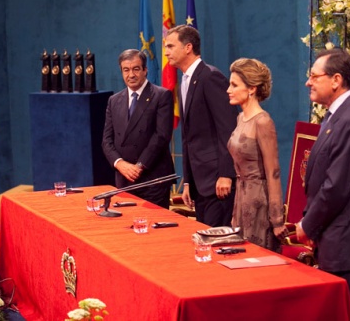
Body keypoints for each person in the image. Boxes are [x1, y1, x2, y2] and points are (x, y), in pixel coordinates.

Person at [296, 48, 350, 321]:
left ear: (335, 80)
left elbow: (337, 186)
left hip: (348, 244)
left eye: (313, 76)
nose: (308, 82)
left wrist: (308, 225)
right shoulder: (337, 115)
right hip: (335, 238)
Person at [163, 25, 238, 227]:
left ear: (188, 47)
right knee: (204, 238)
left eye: (170, 46)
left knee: (216, 242)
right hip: (200, 183)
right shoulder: (186, 81)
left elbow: (228, 130)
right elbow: (188, 138)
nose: (166, 52)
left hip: (217, 181)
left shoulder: (210, 77)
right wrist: (188, 181)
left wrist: (226, 174)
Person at [226, 58, 288, 252]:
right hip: (241, 198)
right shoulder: (240, 118)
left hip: (259, 202)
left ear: (251, 88)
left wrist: (277, 219)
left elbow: (274, 172)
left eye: (234, 85)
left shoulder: (263, 122)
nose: (228, 89)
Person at [102, 49, 175, 208]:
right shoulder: (114, 101)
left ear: (145, 70)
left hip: (153, 177)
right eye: (126, 70)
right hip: (124, 177)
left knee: (153, 227)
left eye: (136, 69)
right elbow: (107, 140)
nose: (131, 75)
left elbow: (161, 136)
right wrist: (119, 163)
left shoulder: (161, 96)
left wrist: (139, 166)